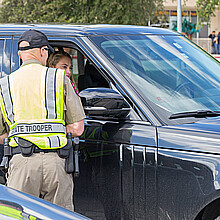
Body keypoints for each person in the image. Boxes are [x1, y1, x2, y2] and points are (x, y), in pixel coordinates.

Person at [0, 29, 85, 211]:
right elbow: (78, 129)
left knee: (19, 213)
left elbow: (1, 135)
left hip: (21, 164)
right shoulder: (59, 78)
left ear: (20, 54)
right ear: (43, 51)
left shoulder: (4, 84)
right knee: (58, 215)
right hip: (57, 163)